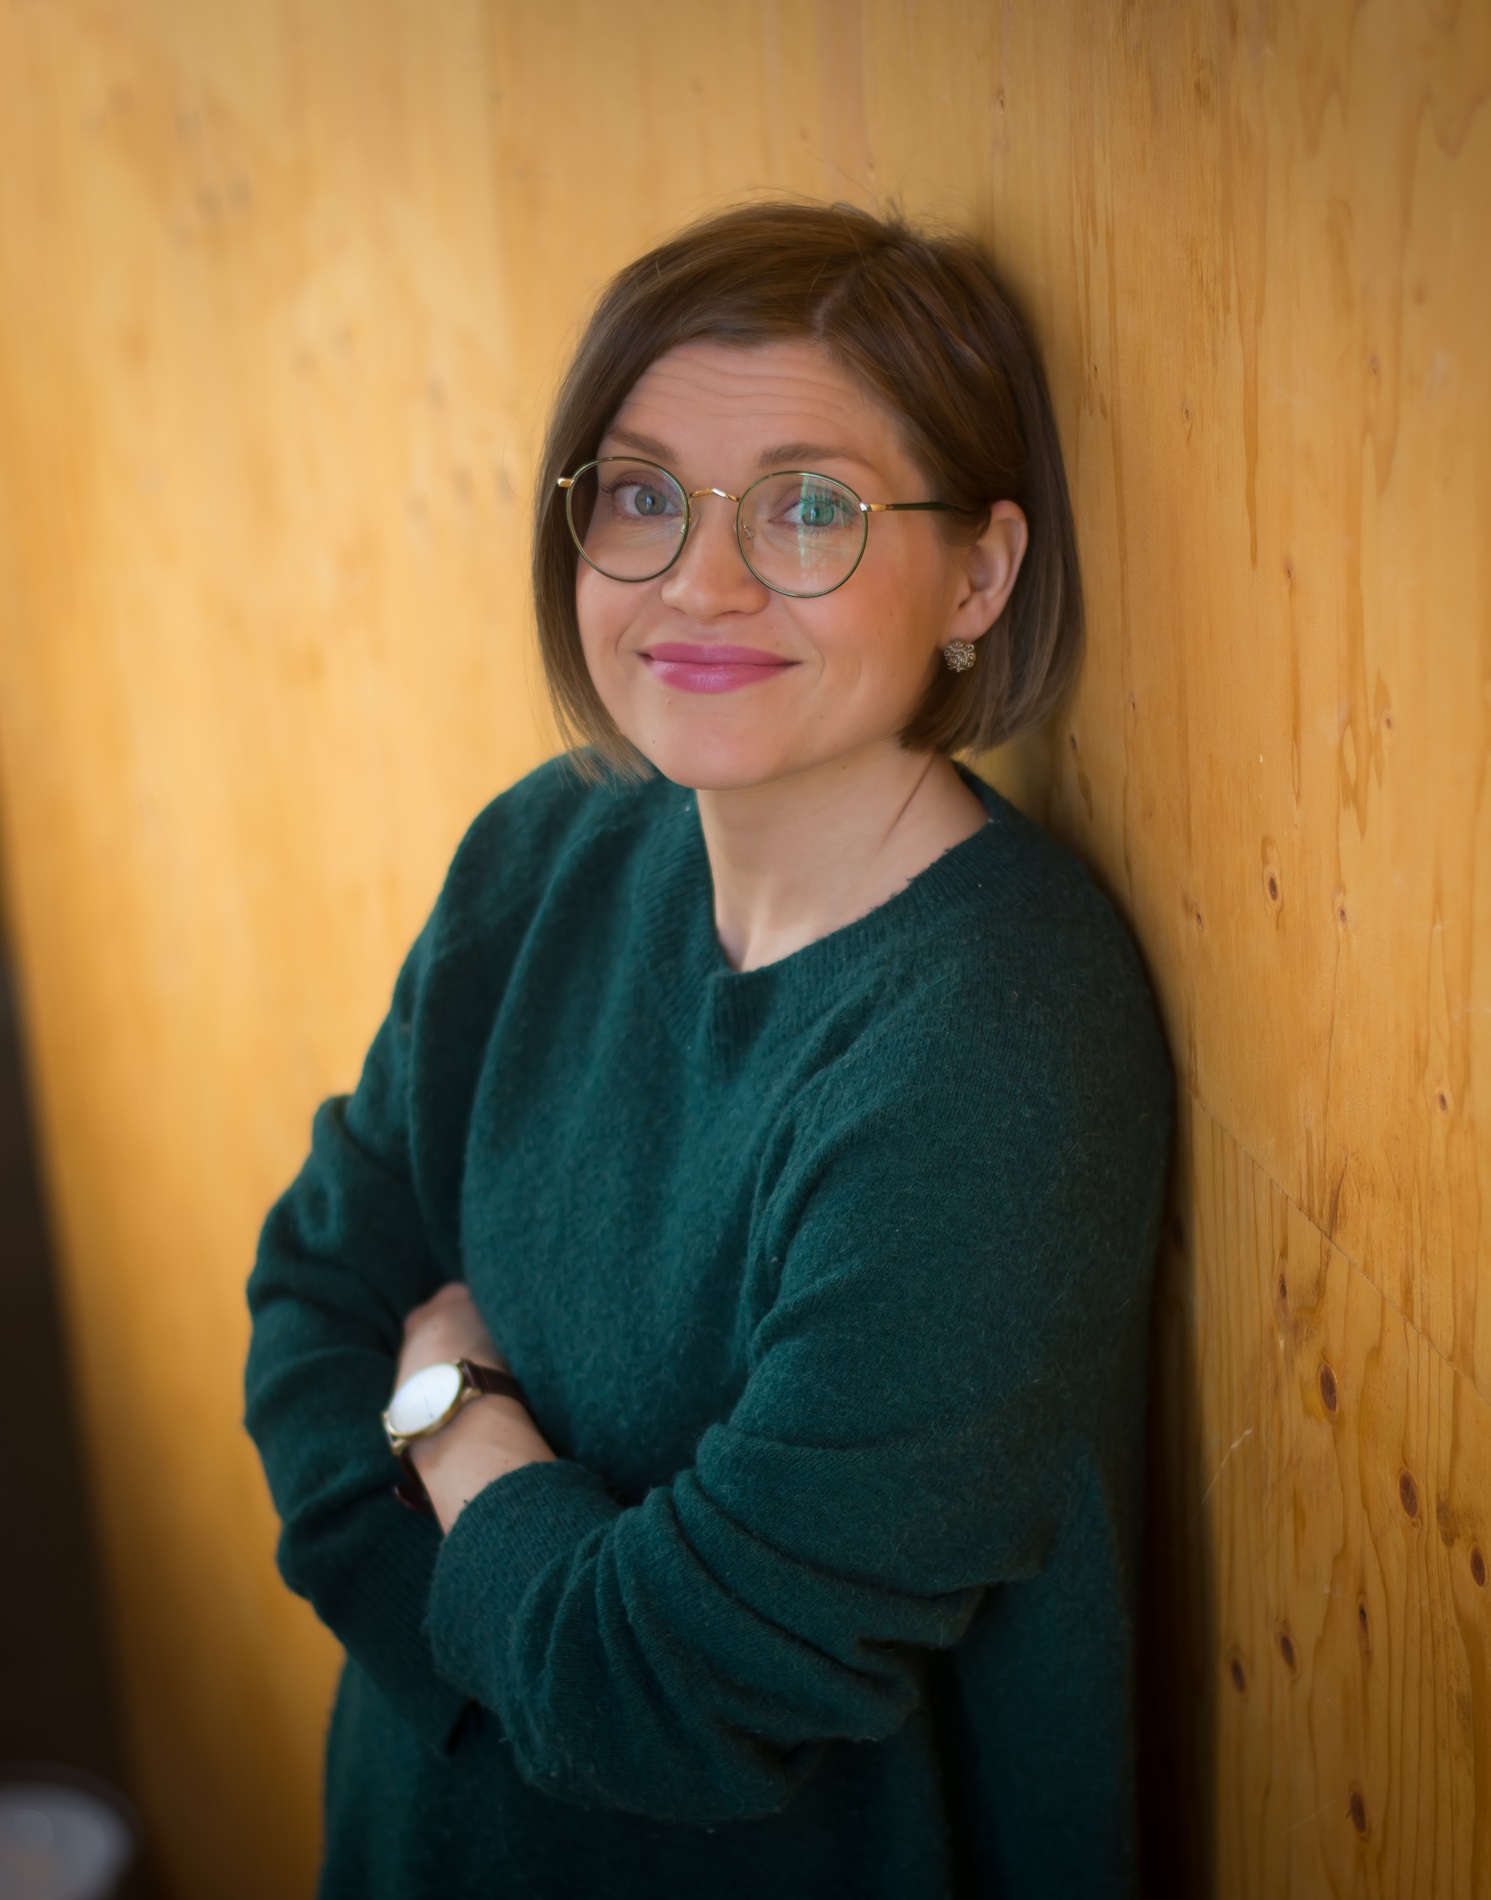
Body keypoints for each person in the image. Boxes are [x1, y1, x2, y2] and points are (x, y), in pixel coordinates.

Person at [244, 199, 1173, 1899]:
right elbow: (312, 1303)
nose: (704, 579)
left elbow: (672, 1698)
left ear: (980, 571)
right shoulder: (551, 848)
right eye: (645, 497)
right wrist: (526, 1651)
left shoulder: (995, 1048)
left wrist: (453, 1424)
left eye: (812, 507)